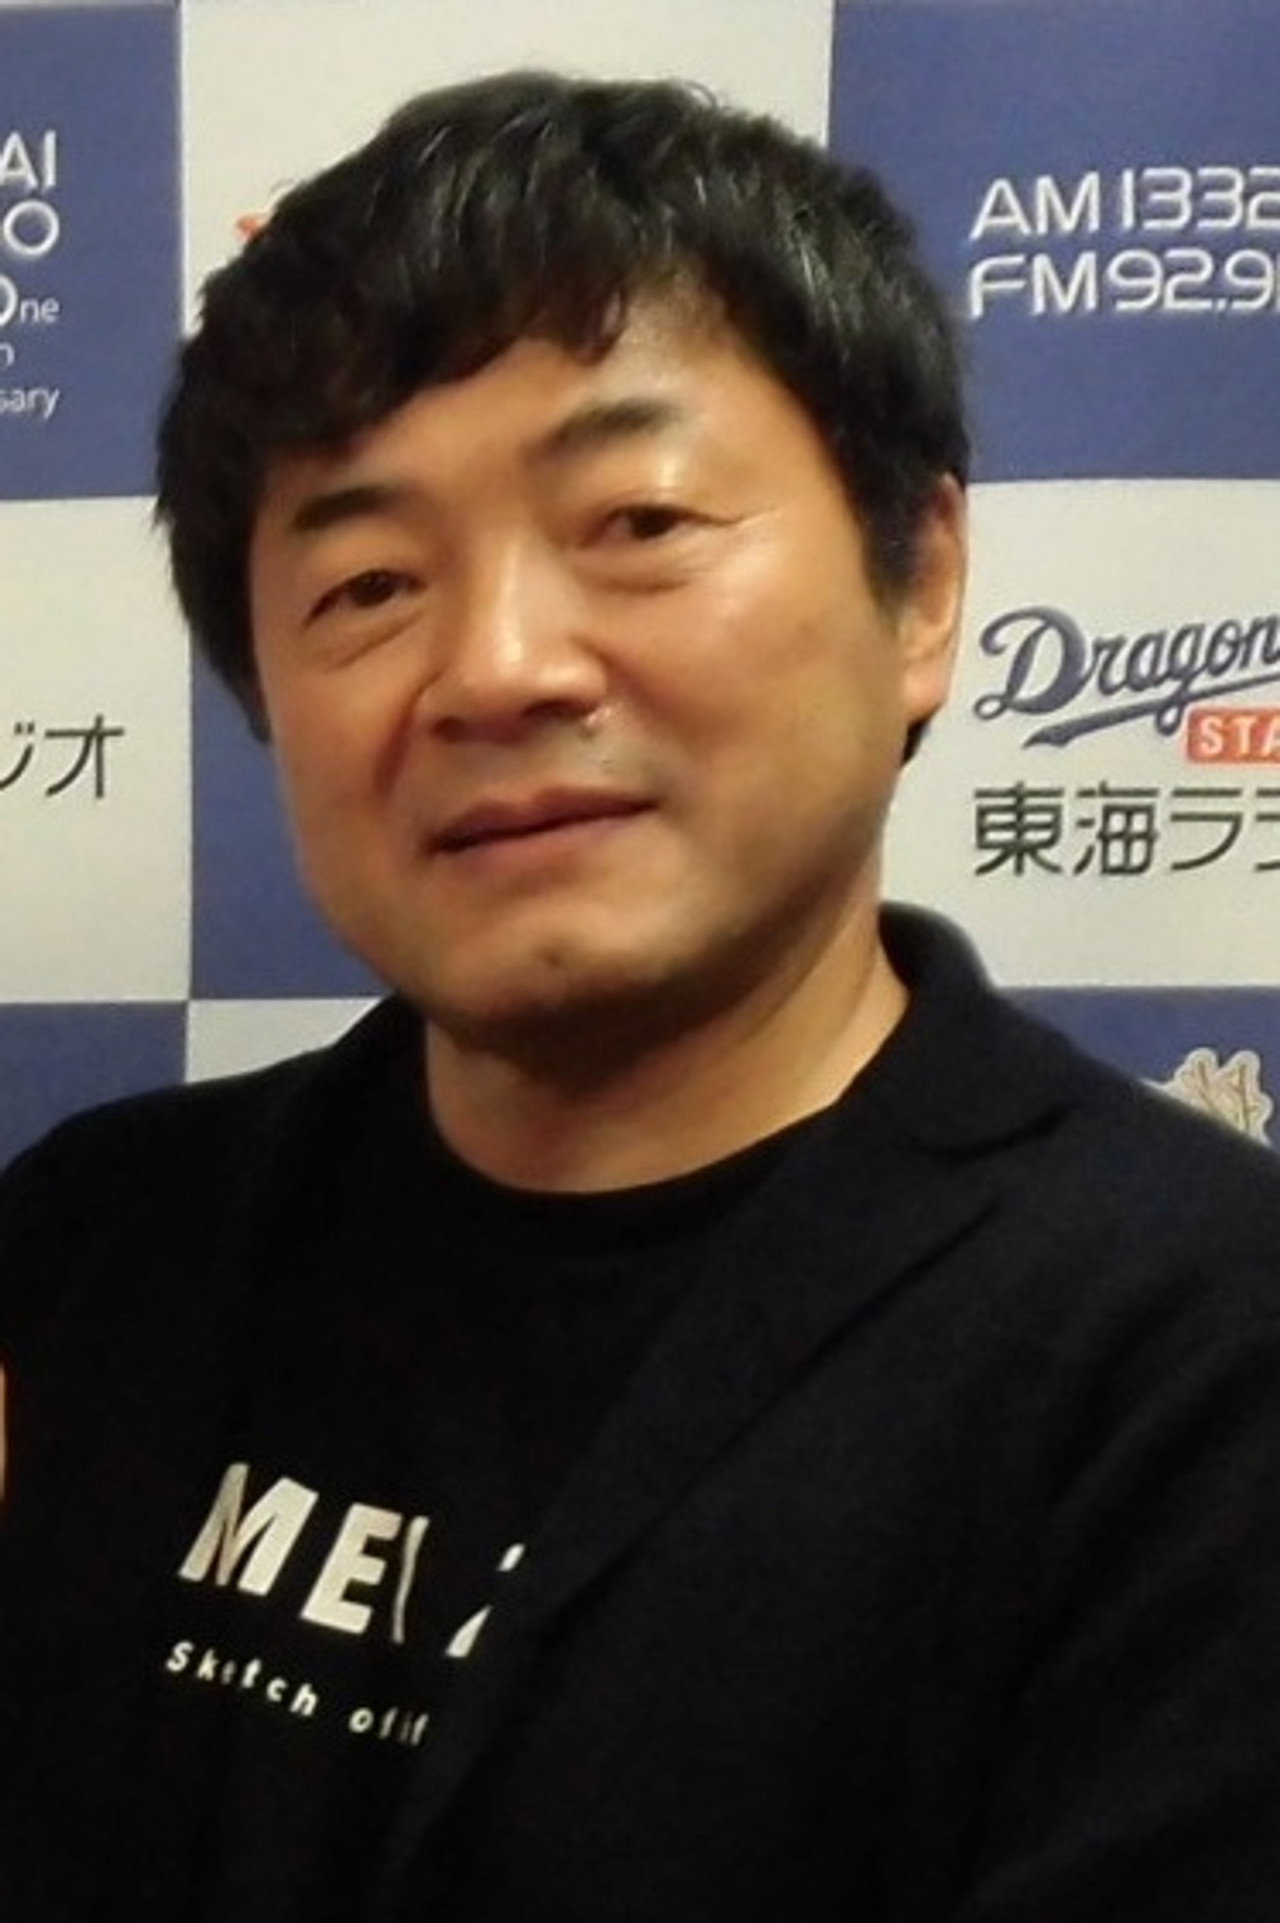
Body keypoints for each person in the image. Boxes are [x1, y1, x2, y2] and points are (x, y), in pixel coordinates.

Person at [2, 70, 1279, 1923]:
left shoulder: (1196, 1363)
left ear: (922, 584)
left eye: (640, 521)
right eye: (368, 581)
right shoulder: (99, 1245)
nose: (498, 666)